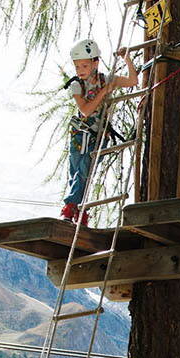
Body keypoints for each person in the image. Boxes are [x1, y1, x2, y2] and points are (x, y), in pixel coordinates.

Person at [62, 39, 140, 223]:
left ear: (95, 63)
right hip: (80, 133)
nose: (80, 70)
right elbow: (86, 110)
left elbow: (132, 80)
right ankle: (76, 210)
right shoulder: (77, 86)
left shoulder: (106, 80)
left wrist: (127, 59)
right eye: (77, 66)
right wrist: (104, 92)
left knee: (85, 170)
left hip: (99, 134)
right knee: (77, 172)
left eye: (84, 65)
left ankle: (73, 207)